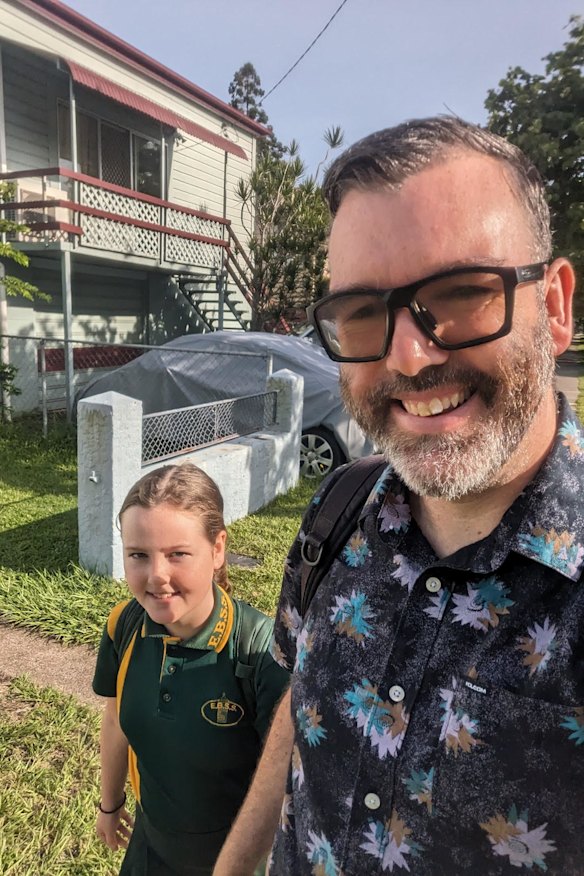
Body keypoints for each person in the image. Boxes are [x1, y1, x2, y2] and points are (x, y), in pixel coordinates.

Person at [213, 116, 584, 875]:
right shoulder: (336, 515)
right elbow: (298, 709)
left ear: (554, 305)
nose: (409, 356)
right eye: (362, 313)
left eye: (460, 292)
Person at [92, 462, 289, 875]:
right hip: (151, 849)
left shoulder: (262, 654)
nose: (157, 576)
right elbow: (115, 721)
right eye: (138, 555)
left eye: (177, 554)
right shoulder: (123, 626)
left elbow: (285, 788)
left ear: (218, 549)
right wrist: (109, 805)